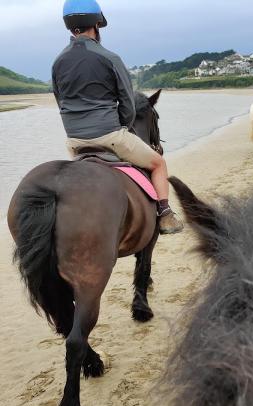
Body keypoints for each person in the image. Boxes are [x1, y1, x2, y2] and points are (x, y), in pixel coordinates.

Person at [52, 0, 183, 234]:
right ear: (97, 24)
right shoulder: (109, 58)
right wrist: (121, 126)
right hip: (110, 136)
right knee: (158, 163)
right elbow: (127, 104)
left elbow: (60, 101)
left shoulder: (58, 62)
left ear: (69, 26)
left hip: (74, 142)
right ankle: (164, 214)